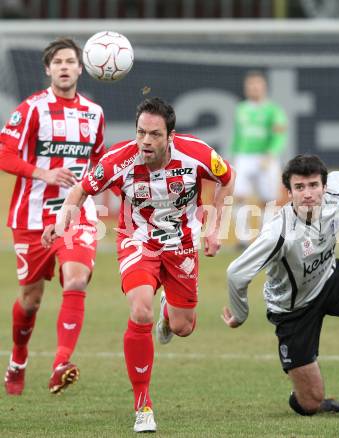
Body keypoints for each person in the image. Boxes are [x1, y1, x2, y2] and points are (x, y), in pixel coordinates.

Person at [42, 97, 235, 433]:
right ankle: (142, 404)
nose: (145, 141)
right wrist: (62, 224)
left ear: (170, 136)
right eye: (141, 132)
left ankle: (168, 312)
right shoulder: (118, 160)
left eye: (154, 135)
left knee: (183, 327)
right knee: (140, 310)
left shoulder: (198, 154)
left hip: (182, 245)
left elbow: (226, 179)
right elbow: (79, 192)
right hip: (138, 242)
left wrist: (215, 227)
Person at [222, 154, 339, 418]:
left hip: (330, 279)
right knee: (310, 404)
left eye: (313, 186)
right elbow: (236, 273)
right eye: (299, 188)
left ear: (324, 187)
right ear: (289, 193)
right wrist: (240, 314)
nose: (307, 194)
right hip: (292, 308)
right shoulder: (278, 232)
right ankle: (308, 395)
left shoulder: (336, 192)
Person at [0, 38, 106, 395]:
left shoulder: (94, 113)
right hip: (31, 217)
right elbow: (3, 153)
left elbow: (100, 165)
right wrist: (43, 173)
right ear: (48, 69)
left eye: (70, 61)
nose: (64, 66)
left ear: (80, 68)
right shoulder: (31, 109)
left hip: (75, 213)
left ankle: (61, 362)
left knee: (76, 280)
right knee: (30, 301)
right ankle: (18, 358)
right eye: (57, 61)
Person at [230, 70, 287, 247]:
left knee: (268, 200)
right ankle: (243, 238)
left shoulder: (273, 110)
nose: (253, 88)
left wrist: (271, 154)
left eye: (257, 84)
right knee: (238, 195)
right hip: (243, 157)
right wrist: (233, 157)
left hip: (266, 157)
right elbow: (238, 136)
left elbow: (279, 135)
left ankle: (265, 237)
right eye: (250, 85)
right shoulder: (241, 109)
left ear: (264, 87)